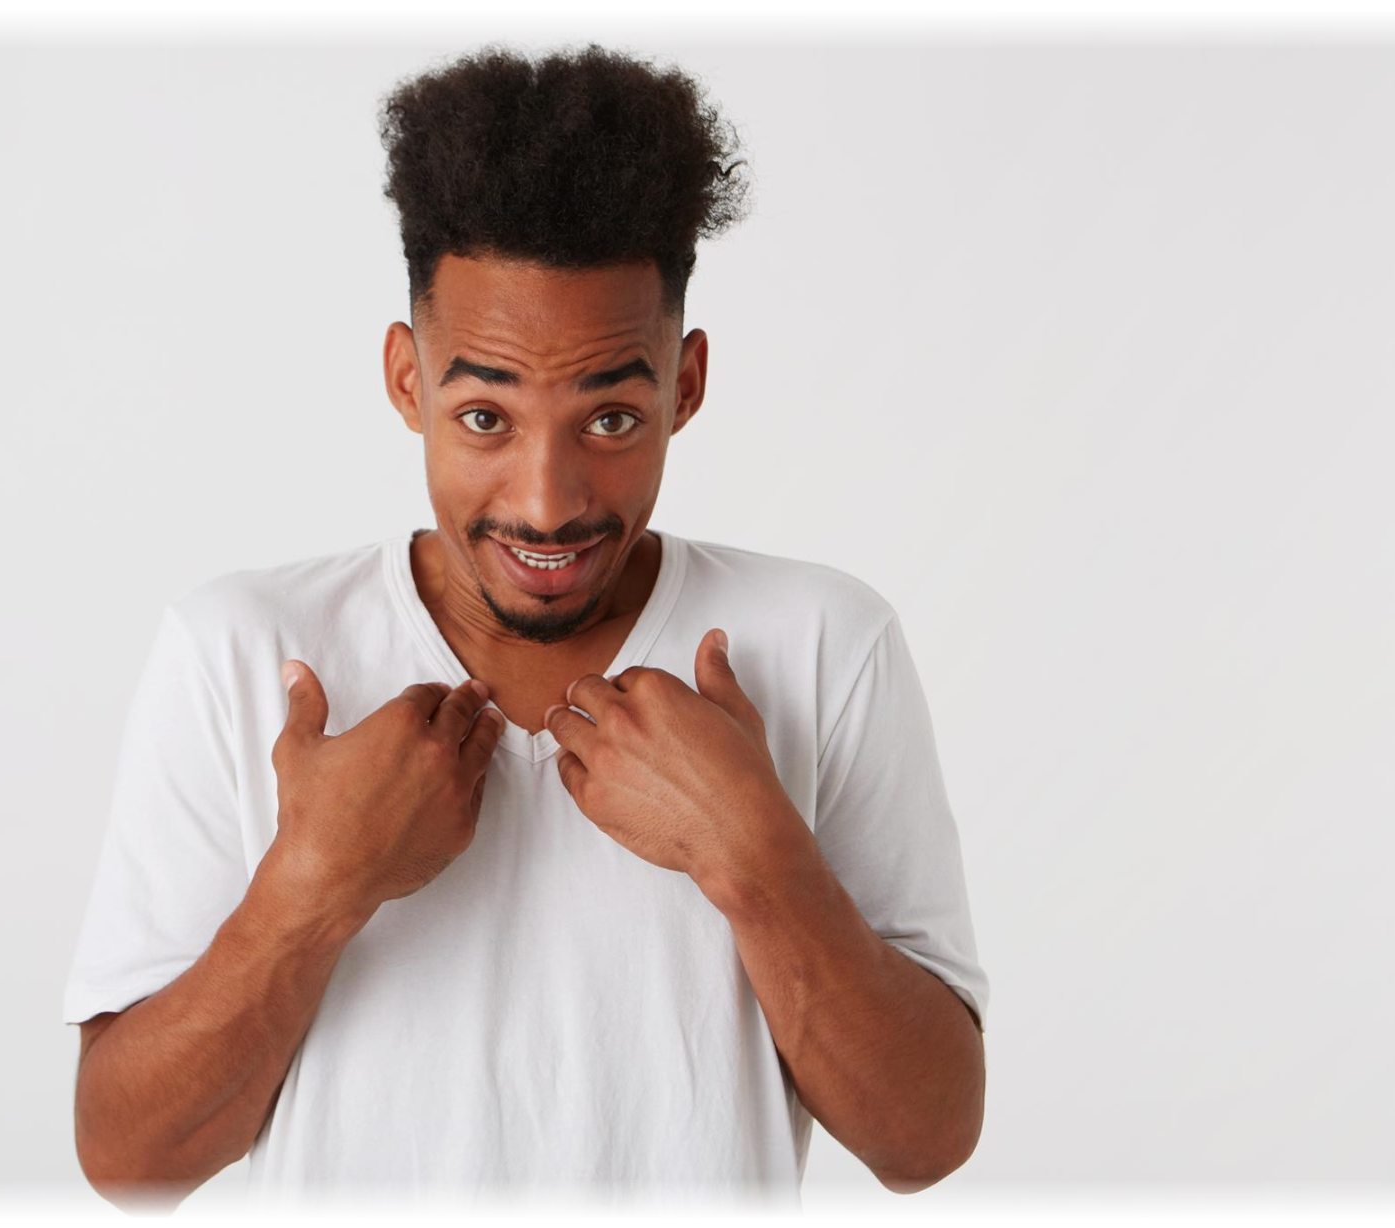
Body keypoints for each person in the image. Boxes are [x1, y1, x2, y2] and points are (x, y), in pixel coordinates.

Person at [61, 40, 988, 1218]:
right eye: (486, 415)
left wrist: (756, 858)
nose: (547, 502)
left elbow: (926, 1139)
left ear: (686, 384)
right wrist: (314, 883)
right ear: (408, 379)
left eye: (611, 417)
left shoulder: (822, 644)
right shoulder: (242, 651)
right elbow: (130, 1166)